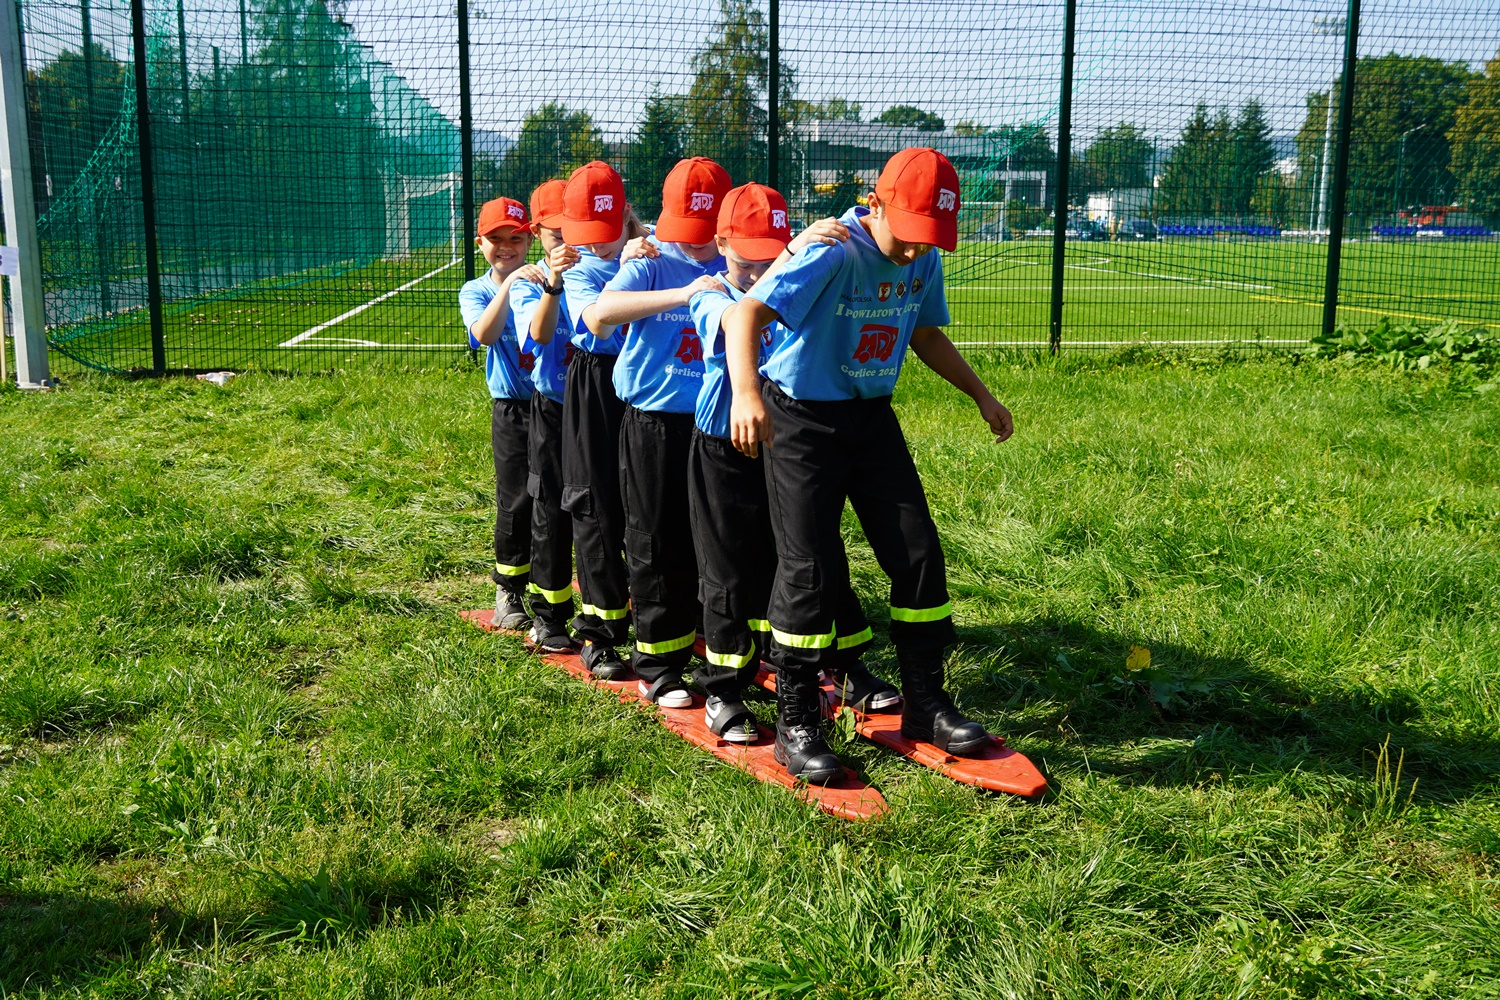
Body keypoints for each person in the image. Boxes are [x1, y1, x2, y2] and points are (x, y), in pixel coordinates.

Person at [723, 148, 1016, 784]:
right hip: (801, 419)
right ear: (875, 203)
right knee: (809, 567)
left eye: (930, 239)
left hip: (870, 416)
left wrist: (981, 394)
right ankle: (799, 722)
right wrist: (746, 394)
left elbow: (924, 332)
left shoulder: (924, 254)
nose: (915, 252)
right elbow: (746, 313)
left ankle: (926, 705)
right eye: (908, 235)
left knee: (917, 551)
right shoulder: (831, 251)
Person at [687, 183, 901, 744]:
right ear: (721, 244)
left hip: (787, 445)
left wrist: (797, 259)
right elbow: (741, 320)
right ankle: (724, 690)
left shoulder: (797, 280)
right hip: (724, 449)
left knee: (814, 559)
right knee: (730, 571)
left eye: (771, 251)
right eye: (747, 256)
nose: (759, 268)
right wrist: (789, 256)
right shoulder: (710, 291)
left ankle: (844, 665)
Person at [558, 162, 651, 678]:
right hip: (596, 380)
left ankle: (661, 618)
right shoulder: (580, 267)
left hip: (651, 381)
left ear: (626, 215)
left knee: (647, 503)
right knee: (594, 504)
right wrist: (627, 267)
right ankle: (600, 631)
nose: (596, 245)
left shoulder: (655, 242)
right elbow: (601, 321)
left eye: (606, 231)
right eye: (584, 235)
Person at [459, 196, 546, 631]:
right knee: (516, 498)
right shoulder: (477, 290)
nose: (506, 246)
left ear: (530, 239)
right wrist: (511, 286)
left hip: (557, 405)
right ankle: (509, 587)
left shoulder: (547, 279)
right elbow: (484, 334)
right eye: (496, 239)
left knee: (560, 496)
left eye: (515, 237)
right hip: (513, 409)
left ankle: (550, 587)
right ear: (480, 243)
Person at [507, 179, 580, 651]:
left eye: (573, 229)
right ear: (536, 232)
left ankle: (610, 605)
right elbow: (539, 332)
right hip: (553, 404)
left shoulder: (603, 261)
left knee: (603, 510)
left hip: (602, 405)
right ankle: (550, 615)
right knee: (550, 506)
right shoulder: (531, 281)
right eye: (557, 233)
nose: (568, 243)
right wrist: (554, 282)